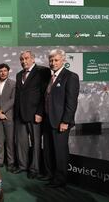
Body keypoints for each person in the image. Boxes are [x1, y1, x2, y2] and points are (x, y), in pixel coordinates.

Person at [43, 49, 79, 188]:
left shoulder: (70, 76)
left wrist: (66, 121)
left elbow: (71, 102)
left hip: (61, 122)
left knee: (60, 151)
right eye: (51, 60)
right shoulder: (50, 77)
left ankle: (60, 179)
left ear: (63, 60)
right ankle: (52, 175)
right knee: (49, 150)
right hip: (48, 120)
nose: (53, 63)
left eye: (56, 60)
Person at [14, 51, 51, 178]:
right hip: (20, 115)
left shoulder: (42, 72)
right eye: (21, 59)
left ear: (33, 59)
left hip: (35, 114)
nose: (24, 61)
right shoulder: (19, 75)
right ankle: (22, 166)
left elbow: (44, 93)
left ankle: (34, 169)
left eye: (26, 58)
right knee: (21, 143)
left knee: (35, 143)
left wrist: (40, 112)